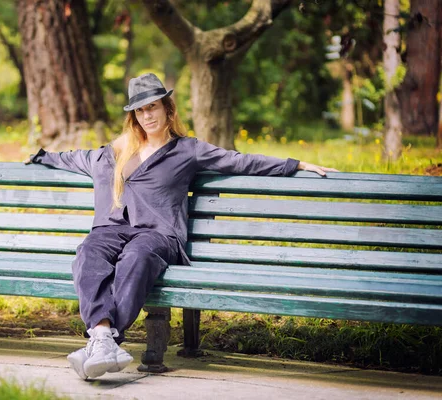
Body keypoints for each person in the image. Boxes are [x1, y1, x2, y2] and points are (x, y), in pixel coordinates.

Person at [27, 73, 337, 380]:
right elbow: (72, 158)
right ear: (134, 116)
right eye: (140, 110)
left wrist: (293, 165)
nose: (147, 115)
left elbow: (238, 161)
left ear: (167, 109)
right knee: (88, 251)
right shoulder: (114, 152)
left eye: (153, 107)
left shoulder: (187, 150)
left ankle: (102, 344)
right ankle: (103, 336)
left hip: (158, 235)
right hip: (112, 230)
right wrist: (42, 157)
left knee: (136, 257)